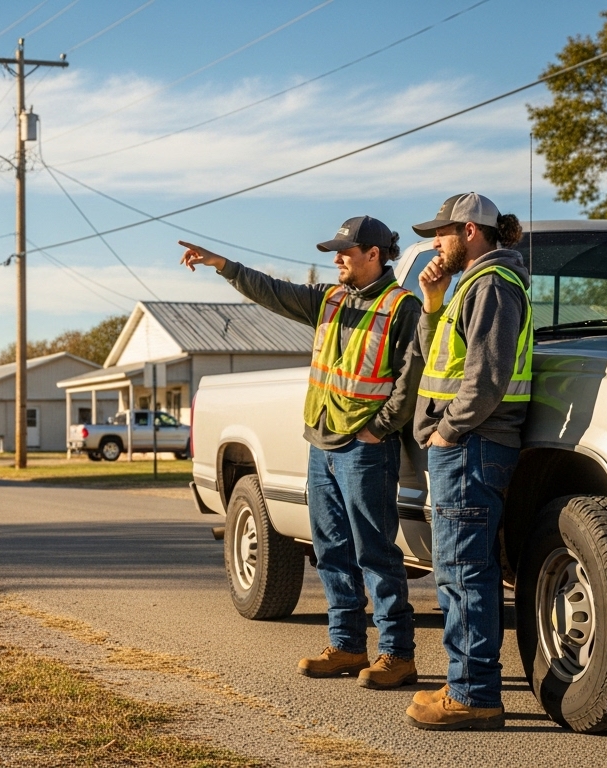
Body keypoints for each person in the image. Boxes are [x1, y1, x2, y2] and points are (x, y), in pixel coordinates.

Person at [179, 215, 421, 690]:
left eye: (345, 253)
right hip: (322, 445)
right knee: (331, 549)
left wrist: (378, 429)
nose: (336, 260)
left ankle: (397, 653)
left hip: (365, 449)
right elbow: (272, 291)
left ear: (374, 255)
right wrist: (223, 266)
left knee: (375, 552)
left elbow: (411, 380)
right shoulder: (329, 300)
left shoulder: (402, 307)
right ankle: (347, 645)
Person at [404, 192, 531, 731]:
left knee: (464, 572)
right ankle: (465, 681)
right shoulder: (467, 286)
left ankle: (475, 693)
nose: (435, 241)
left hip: (471, 446)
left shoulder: (493, 284)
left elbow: (487, 374)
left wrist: (448, 431)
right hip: (464, 446)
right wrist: (431, 302)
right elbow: (439, 360)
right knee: (456, 571)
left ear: (471, 232)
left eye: (442, 231)